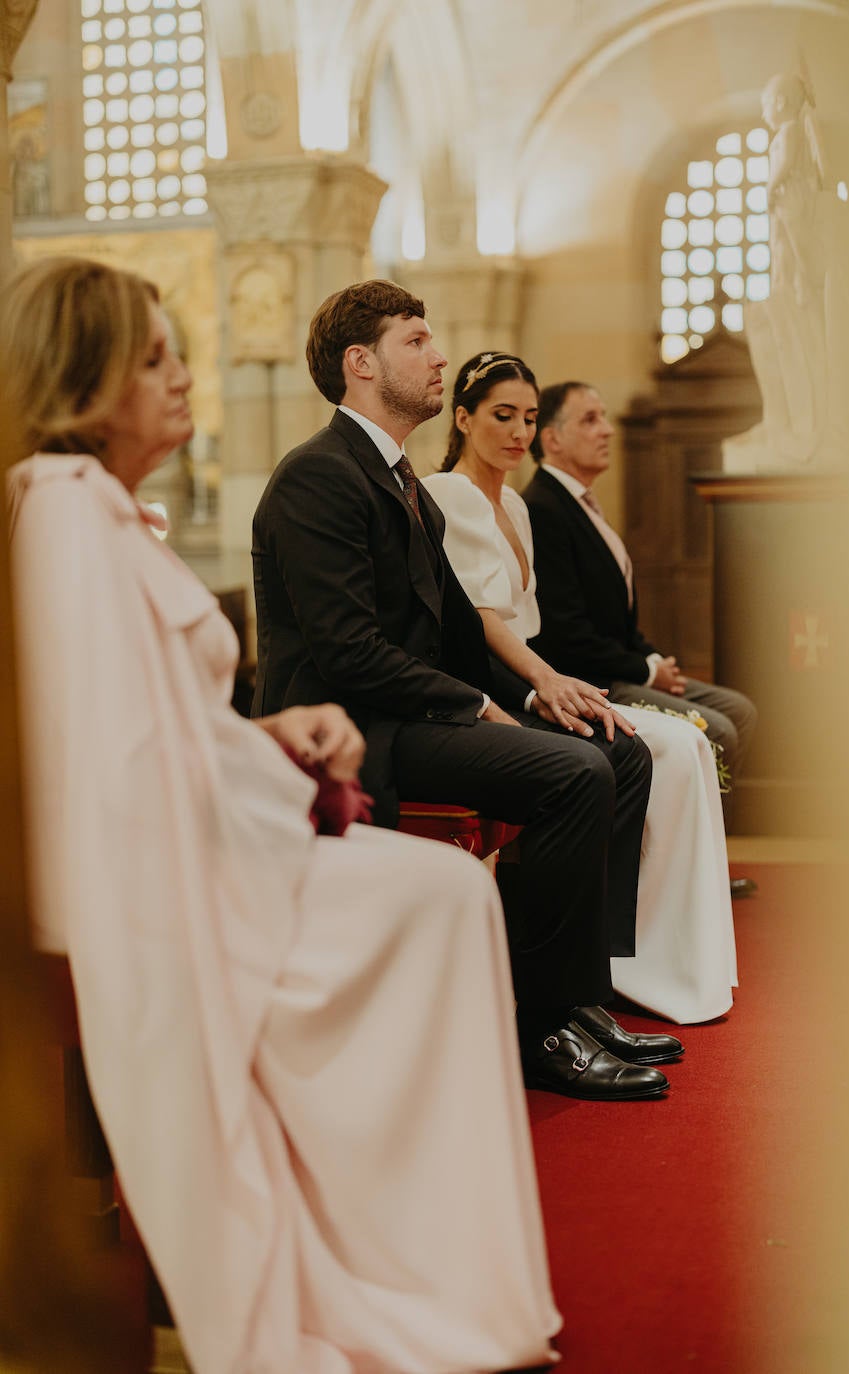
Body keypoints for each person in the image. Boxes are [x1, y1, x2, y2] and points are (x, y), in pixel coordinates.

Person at [1, 256, 563, 1374]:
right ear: (83, 377)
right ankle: (401, 1263)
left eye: (178, 353)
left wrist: (266, 745)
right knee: (442, 896)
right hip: (158, 882)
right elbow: (109, 773)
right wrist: (273, 789)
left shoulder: (96, 513)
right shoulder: (65, 521)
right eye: (152, 357)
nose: (181, 376)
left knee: (444, 896)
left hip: (196, 829)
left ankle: (423, 1259)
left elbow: (152, 730)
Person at [252, 280, 684, 1101]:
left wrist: (537, 691)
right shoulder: (317, 477)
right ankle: (539, 1026)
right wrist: (476, 707)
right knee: (571, 774)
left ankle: (577, 996)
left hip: (412, 711)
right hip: (356, 729)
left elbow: (456, 628)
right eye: (416, 340)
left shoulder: (402, 479)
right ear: (361, 364)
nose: (438, 354)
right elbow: (348, 654)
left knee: (611, 750)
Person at [425, 352, 737, 1024]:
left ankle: (657, 952)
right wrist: (542, 689)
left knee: (678, 743)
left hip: (530, 673)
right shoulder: (448, 491)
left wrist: (557, 683)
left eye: (528, 419)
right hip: (488, 685)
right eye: (501, 415)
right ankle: (602, 962)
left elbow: (529, 623)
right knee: (622, 745)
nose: (517, 432)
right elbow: (479, 624)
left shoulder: (511, 499)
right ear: (462, 417)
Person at [525, 381, 758, 895]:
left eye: (604, 416)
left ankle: (707, 859)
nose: (607, 429)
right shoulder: (543, 507)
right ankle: (696, 882)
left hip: (625, 666)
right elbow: (566, 634)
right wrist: (649, 672)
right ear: (552, 438)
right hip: (596, 682)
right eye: (589, 419)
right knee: (717, 726)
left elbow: (619, 620)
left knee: (738, 709)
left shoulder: (583, 504)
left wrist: (653, 657)